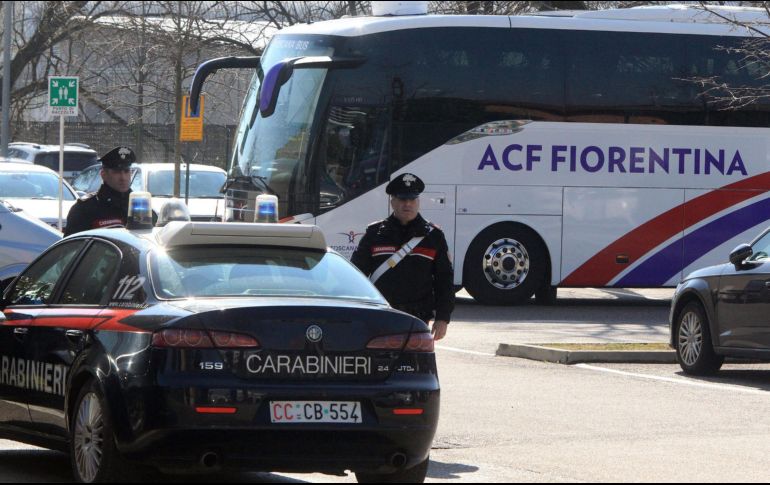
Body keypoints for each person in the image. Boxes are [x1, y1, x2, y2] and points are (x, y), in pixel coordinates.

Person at [352, 173, 454, 340]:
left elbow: (444, 279)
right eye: (402, 199)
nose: (407, 204)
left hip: (418, 318)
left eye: (412, 199)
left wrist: (443, 317)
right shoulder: (375, 233)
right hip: (382, 314)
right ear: (392, 202)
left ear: (418, 202)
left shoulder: (433, 236)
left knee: (416, 364)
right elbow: (357, 275)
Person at [64, 146, 136, 236]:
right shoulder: (85, 209)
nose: (123, 177)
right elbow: (72, 246)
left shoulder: (139, 207)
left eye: (126, 171)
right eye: (116, 172)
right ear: (103, 174)